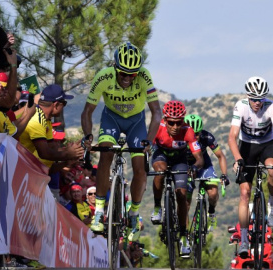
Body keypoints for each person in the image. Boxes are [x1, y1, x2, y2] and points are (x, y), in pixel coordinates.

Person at [81, 42, 162, 241]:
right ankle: (100, 210)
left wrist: (149, 142)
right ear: (115, 68)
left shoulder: (144, 76)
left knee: (140, 167)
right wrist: (88, 136)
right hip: (112, 119)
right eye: (123, 74)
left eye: (132, 75)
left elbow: (157, 112)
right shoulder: (104, 76)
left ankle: (133, 213)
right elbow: (87, 111)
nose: (127, 79)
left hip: (136, 122)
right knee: (105, 154)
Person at [227, 76, 273, 256]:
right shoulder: (241, 106)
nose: (257, 102)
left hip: (267, 145)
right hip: (246, 147)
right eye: (254, 99)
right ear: (248, 97)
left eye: (260, 99)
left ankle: (272, 202)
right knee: (245, 193)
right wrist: (238, 158)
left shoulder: (271, 106)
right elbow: (232, 136)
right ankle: (245, 239)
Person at [151, 100, 204, 257]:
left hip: (180, 161)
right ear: (165, 120)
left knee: (181, 195)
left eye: (178, 123)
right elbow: (146, 148)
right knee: (160, 172)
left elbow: (199, 158)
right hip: (161, 155)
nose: (175, 127)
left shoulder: (188, 131)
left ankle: (183, 236)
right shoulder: (158, 128)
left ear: (183, 121)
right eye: (171, 123)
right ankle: (157, 207)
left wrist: (194, 167)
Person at [18, 84, 84, 172]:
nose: (64, 107)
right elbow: (44, 153)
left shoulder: (46, 119)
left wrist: (74, 150)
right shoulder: (36, 119)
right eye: (64, 103)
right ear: (56, 105)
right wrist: (68, 153)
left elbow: (52, 148)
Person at [183, 114, 229, 231]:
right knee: (185, 202)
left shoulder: (207, 137)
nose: (196, 137)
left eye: (198, 134)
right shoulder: (180, 138)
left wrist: (224, 175)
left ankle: (211, 213)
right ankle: (185, 234)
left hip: (203, 164)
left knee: (213, 193)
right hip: (185, 165)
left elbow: (220, 156)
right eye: (193, 134)